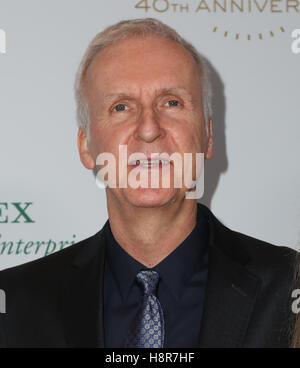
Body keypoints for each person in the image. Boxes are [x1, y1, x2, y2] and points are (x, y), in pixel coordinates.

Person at [0, 18, 296, 348]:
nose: (149, 128)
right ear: (86, 146)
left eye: (172, 102)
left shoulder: (289, 288)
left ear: (208, 136)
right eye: (121, 107)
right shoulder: (14, 304)